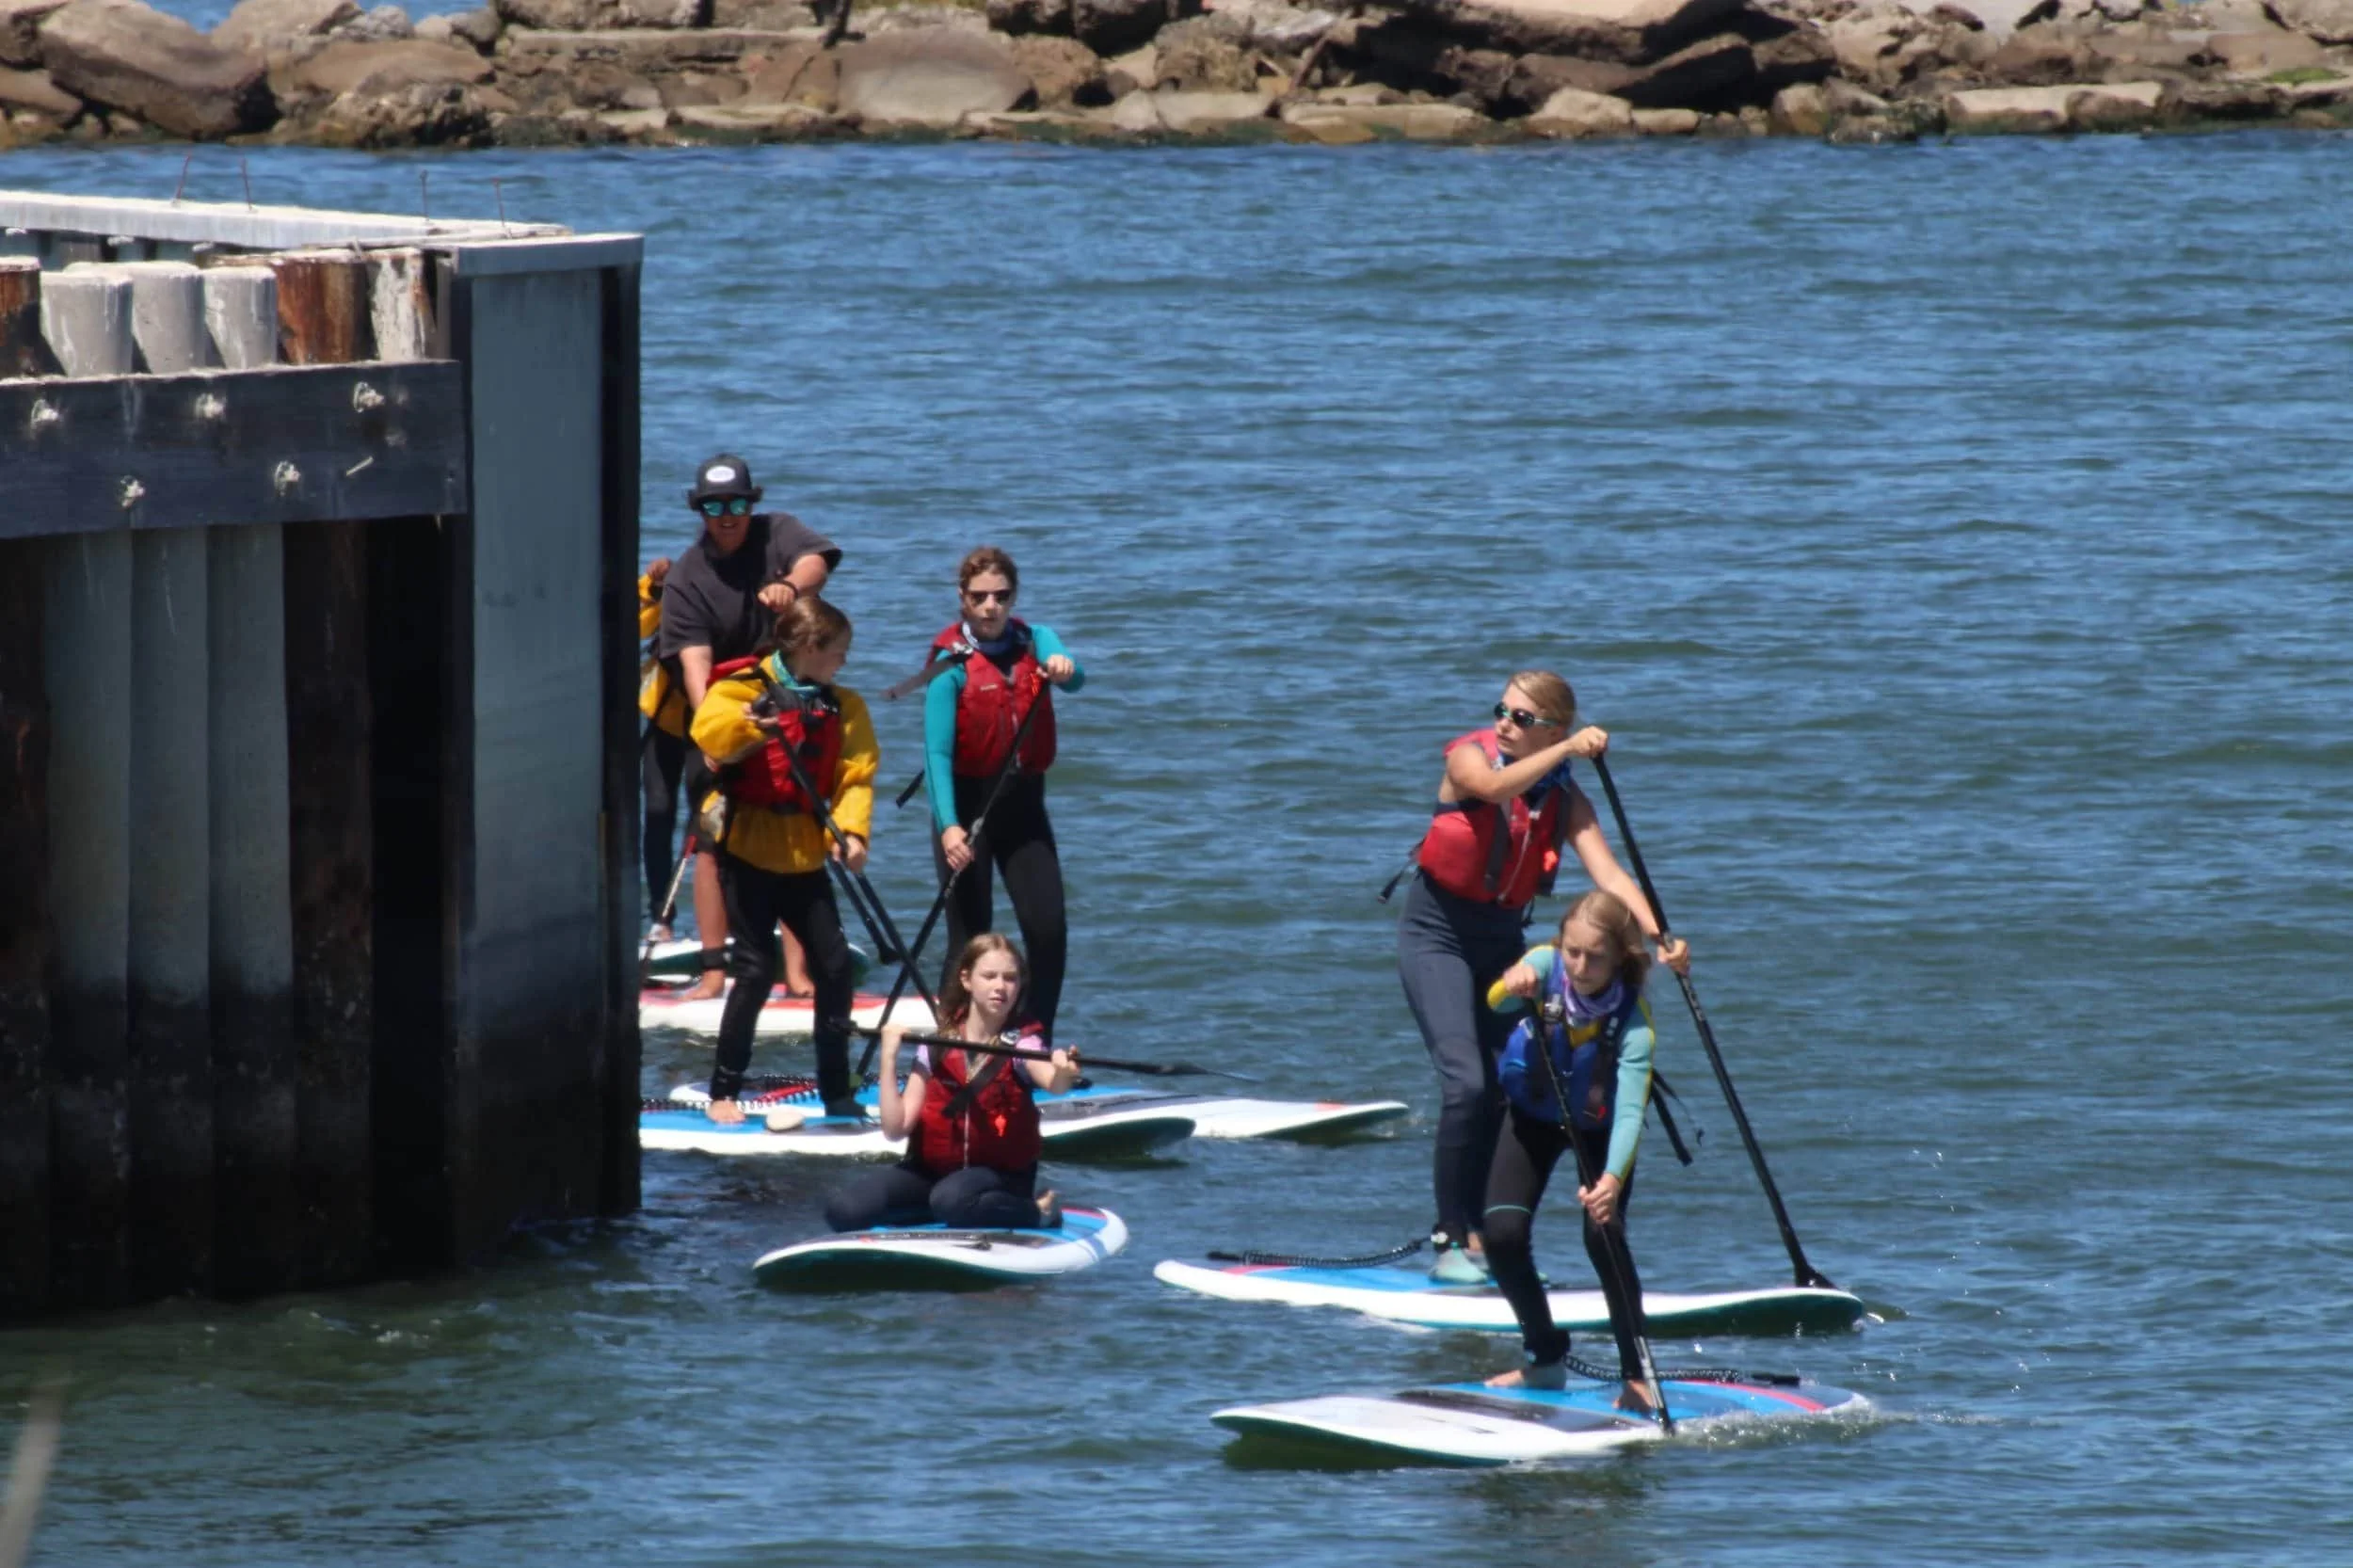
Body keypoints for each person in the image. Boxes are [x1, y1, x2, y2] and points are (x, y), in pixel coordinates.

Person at [1395, 671, 1688, 1285]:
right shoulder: (1470, 758)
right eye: (1502, 709)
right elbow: (1497, 785)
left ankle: (1486, 1234)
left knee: (1517, 1083)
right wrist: (1568, 747)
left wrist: (1662, 936)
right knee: (1467, 1084)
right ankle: (1450, 1237)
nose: (1505, 722)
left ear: (1552, 727)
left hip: (1501, 938)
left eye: (1523, 718)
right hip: (1438, 936)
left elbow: (1610, 876)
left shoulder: (1565, 800)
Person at [655, 455, 840, 999]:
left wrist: (790, 586)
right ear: (702, 511)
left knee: (794, 821)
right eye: (715, 506)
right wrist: (714, 736)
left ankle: (797, 971)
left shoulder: (776, 532)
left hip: (788, 704)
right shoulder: (688, 575)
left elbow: (818, 561)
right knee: (710, 840)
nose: (728, 515)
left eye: (737, 503)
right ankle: (715, 972)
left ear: (750, 504)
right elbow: (693, 663)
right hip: (723, 707)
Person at [689, 597, 874, 1124]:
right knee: (752, 970)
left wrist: (852, 833)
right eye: (838, 652)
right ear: (810, 648)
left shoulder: (844, 707)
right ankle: (724, 1091)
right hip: (747, 850)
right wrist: (752, 727)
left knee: (835, 969)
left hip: (804, 858)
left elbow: (855, 776)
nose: (843, 662)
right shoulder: (742, 690)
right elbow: (711, 732)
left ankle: (836, 1090)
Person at [1481, 891, 1659, 1414]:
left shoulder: (1635, 1023)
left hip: (1598, 1133)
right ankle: (1545, 1357)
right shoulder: (1545, 964)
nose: (1579, 966)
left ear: (1620, 957)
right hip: (1532, 1120)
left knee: (1603, 1237)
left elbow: (1629, 1112)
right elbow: (1496, 1000)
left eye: (1595, 957)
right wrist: (1513, 981)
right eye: (1572, 952)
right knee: (1502, 1234)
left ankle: (1636, 1373)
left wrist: (1612, 1181)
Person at [920, 547, 1082, 1043]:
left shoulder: (1034, 642)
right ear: (962, 598)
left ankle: (1034, 1039)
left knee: (1048, 930)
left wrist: (1064, 666)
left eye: (1001, 596)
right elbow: (936, 756)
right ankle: (954, 1045)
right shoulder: (951, 667)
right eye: (979, 597)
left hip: (1023, 804)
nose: (990, 607)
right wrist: (949, 825)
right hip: (966, 809)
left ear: (1013, 596)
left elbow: (1075, 677)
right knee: (968, 939)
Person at [824, 934, 1077, 1232]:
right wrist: (888, 1057)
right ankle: (943, 1210)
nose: (1000, 986)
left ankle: (1038, 1212)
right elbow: (895, 1129)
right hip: (934, 1175)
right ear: (967, 980)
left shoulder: (1024, 1043)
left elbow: (1053, 1082)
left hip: (999, 1177)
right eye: (989, 976)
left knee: (951, 1198)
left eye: (1010, 978)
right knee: (844, 1210)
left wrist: (1063, 1071)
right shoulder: (935, 1046)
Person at [638, 555, 687, 938]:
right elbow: (635, 627)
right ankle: (661, 916)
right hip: (664, 715)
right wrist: (654, 588)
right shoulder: (675, 581)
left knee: (713, 824)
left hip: (715, 720)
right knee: (658, 812)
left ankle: (737, 919)